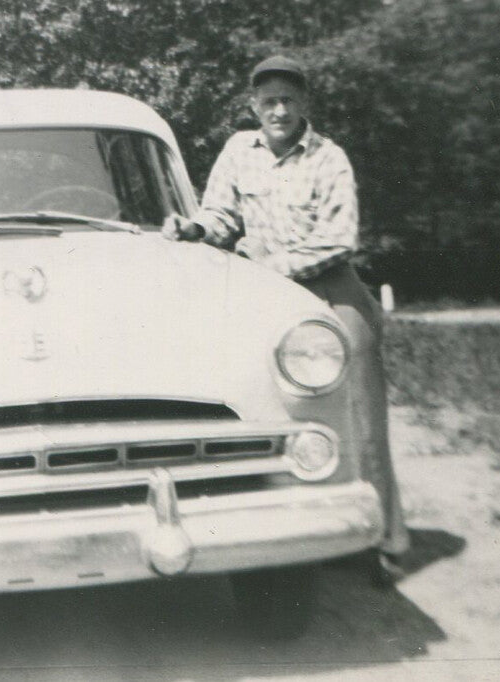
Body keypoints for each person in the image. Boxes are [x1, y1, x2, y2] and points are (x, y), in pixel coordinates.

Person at [165, 55, 410, 578]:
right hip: (263, 295)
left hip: (329, 292)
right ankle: (284, 533)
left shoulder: (329, 157)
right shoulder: (238, 150)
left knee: (360, 417)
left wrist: (273, 263)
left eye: (289, 101)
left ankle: (386, 541)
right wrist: (193, 229)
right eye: (270, 101)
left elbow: (339, 238)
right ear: (254, 105)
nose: (279, 111)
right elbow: (220, 215)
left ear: (304, 105)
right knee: (258, 405)